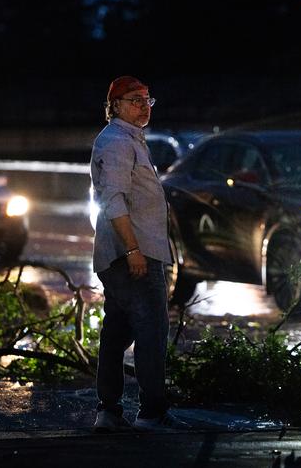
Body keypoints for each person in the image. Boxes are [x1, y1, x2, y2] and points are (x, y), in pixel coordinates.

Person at [90, 75, 186, 432]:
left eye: (147, 99)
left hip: (125, 252)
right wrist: (133, 249)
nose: (143, 106)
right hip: (132, 252)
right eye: (134, 100)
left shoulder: (127, 139)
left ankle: (109, 412)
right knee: (152, 329)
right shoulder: (117, 142)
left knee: (116, 331)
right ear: (114, 105)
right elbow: (112, 199)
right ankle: (151, 413)